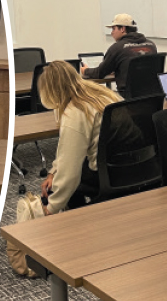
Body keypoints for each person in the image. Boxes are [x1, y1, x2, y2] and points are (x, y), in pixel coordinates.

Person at [37, 61, 122, 214]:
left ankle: (77, 222)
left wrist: (51, 207)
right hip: (134, 165)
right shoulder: (102, 93)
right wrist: (53, 172)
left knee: (65, 184)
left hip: (106, 174)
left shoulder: (75, 112)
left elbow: (70, 170)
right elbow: (67, 151)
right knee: (61, 175)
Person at [80, 13, 157, 95]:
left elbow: (99, 73)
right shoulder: (151, 45)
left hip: (128, 99)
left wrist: (86, 71)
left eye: (113, 29)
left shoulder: (117, 48)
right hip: (152, 97)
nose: (112, 33)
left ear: (122, 29)